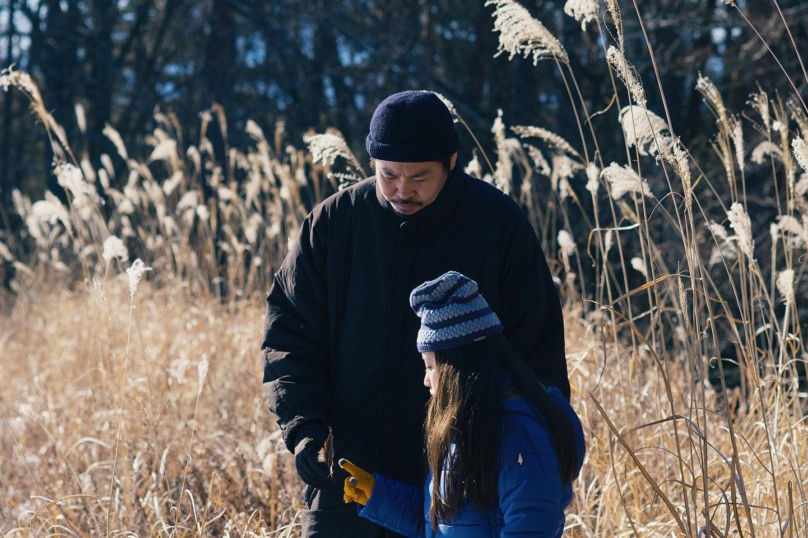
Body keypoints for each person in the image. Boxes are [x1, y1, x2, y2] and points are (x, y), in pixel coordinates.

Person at [261, 90, 569, 537]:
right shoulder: (333, 225)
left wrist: (520, 456)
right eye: (388, 175)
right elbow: (289, 335)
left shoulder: (498, 227)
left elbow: (535, 359)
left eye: (420, 176)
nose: (402, 190)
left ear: (452, 160)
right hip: (349, 480)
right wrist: (303, 426)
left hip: (461, 485)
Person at [340, 271, 585, 537]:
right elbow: (442, 525)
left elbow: (532, 528)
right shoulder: (468, 429)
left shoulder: (520, 435)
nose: (426, 380)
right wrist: (379, 497)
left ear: (455, 369)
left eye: (430, 366)